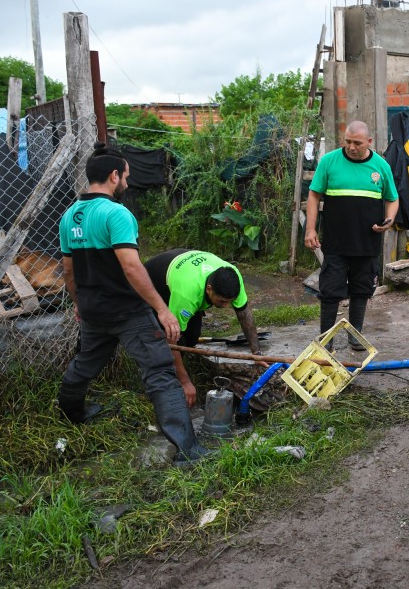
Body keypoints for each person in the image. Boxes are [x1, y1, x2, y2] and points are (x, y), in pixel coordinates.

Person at [57, 143, 207, 464]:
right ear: (114, 176)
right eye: (126, 176)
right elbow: (131, 266)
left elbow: (68, 271)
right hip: (127, 310)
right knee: (160, 373)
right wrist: (162, 309)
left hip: (93, 309)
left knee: (85, 363)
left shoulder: (69, 216)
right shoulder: (116, 213)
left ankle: (73, 414)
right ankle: (188, 449)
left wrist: (79, 302)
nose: (127, 182)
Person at [305, 121, 399, 349]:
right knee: (330, 291)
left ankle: (355, 336)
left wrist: (389, 220)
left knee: (362, 289)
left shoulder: (380, 166)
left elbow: (392, 198)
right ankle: (326, 341)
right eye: (347, 141)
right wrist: (310, 228)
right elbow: (314, 196)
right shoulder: (329, 161)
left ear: (369, 142)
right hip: (336, 243)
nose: (351, 147)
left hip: (367, 243)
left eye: (357, 143)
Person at [145, 249, 261, 407]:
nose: (227, 306)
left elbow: (244, 315)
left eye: (230, 301)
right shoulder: (186, 295)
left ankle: (181, 369)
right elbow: (171, 339)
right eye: (221, 301)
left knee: (192, 337)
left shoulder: (234, 277)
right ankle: (167, 385)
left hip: (187, 267)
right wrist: (185, 382)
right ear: (209, 289)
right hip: (154, 279)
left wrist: (256, 352)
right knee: (175, 340)